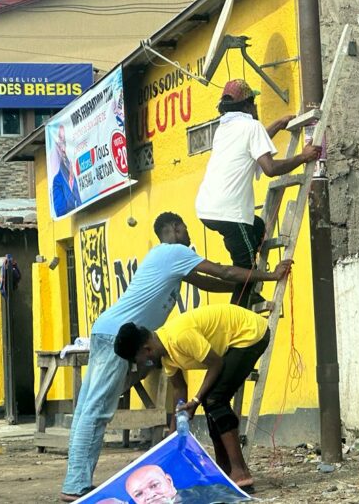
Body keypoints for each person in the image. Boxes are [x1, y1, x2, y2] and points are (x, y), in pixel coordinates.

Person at [60, 212, 291, 502]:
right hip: (116, 335)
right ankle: (76, 485)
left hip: (108, 330)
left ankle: (75, 481)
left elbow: (210, 283)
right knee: (95, 412)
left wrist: (244, 285)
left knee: (88, 410)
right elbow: (223, 271)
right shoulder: (173, 252)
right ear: (172, 229)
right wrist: (269, 275)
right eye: (184, 228)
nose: (188, 234)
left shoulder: (168, 260)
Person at [115, 304, 271, 491]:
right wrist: (172, 441)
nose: (141, 364)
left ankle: (241, 472)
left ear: (146, 349)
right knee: (209, 400)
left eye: (137, 360)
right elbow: (179, 390)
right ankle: (225, 468)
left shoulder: (179, 336)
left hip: (250, 333)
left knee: (214, 400)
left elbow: (216, 363)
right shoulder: (166, 356)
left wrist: (195, 401)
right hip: (232, 344)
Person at [195, 79, 321, 307]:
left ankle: (248, 289)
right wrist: (303, 157)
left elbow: (255, 142)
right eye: (254, 104)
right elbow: (270, 169)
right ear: (248, 106)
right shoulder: (251, 127)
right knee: (246, 274)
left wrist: (278, 124)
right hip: (229, 213)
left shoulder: (225, 128)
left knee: (258, 228)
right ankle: (238, 319)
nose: (256, 109)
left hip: (207, 209)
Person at [125, 464, 244, 504]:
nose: (150, 495)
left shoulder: (210, 492)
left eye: (154, 485)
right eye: (139, 494)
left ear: (169, 481)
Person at [51, 124, 82, 217]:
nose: (63, 149)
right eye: (61, 141)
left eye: (66, 142)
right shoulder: (58, 180)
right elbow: (61, 212)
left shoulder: (85, 166)